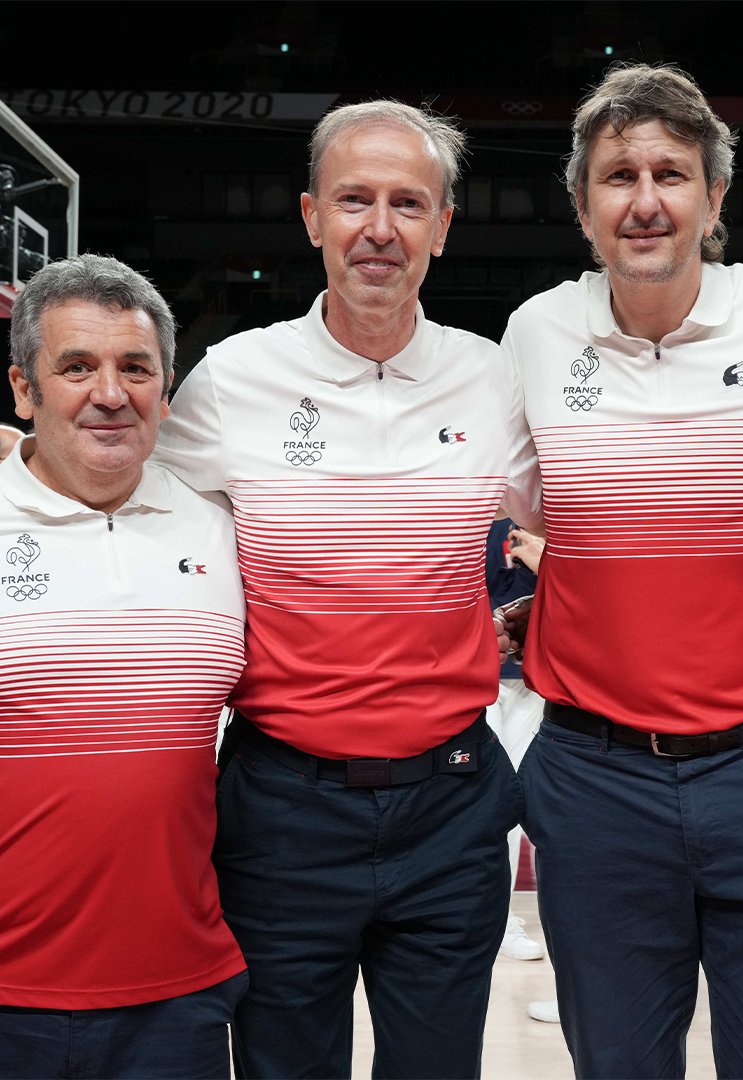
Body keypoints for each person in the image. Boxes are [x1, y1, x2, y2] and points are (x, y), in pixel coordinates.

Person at [500, 62, 743, 1079]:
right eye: (619, 176)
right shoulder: (535, 334)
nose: (647, 200)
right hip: (595, 781)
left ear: (715, 196)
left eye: (673, 172)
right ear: (581, 207)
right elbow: (525, 519)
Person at [153, 100, 539, 1080]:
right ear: (311, 216)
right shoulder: (231, 382)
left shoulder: (495, 380)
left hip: (450, 809)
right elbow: (132, 508)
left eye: (408, 202)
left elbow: (598, 515)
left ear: (444, 226)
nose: (380, 226)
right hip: (282, 809)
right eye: (354, 199)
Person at [0, 254, 248, 1079]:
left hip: (176, 998)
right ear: (24, 390)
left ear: (166, 390)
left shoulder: (221, 529)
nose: (111, 393)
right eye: (76, 367)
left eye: (134, 367)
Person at [484, 517, 545, 962]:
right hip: (474, 673)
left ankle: (509, 922)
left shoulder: (556, 504)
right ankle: (497, 921)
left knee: (540, 805)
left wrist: (550, 561)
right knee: (490, 805)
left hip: (541, 675)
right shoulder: (462, 499)